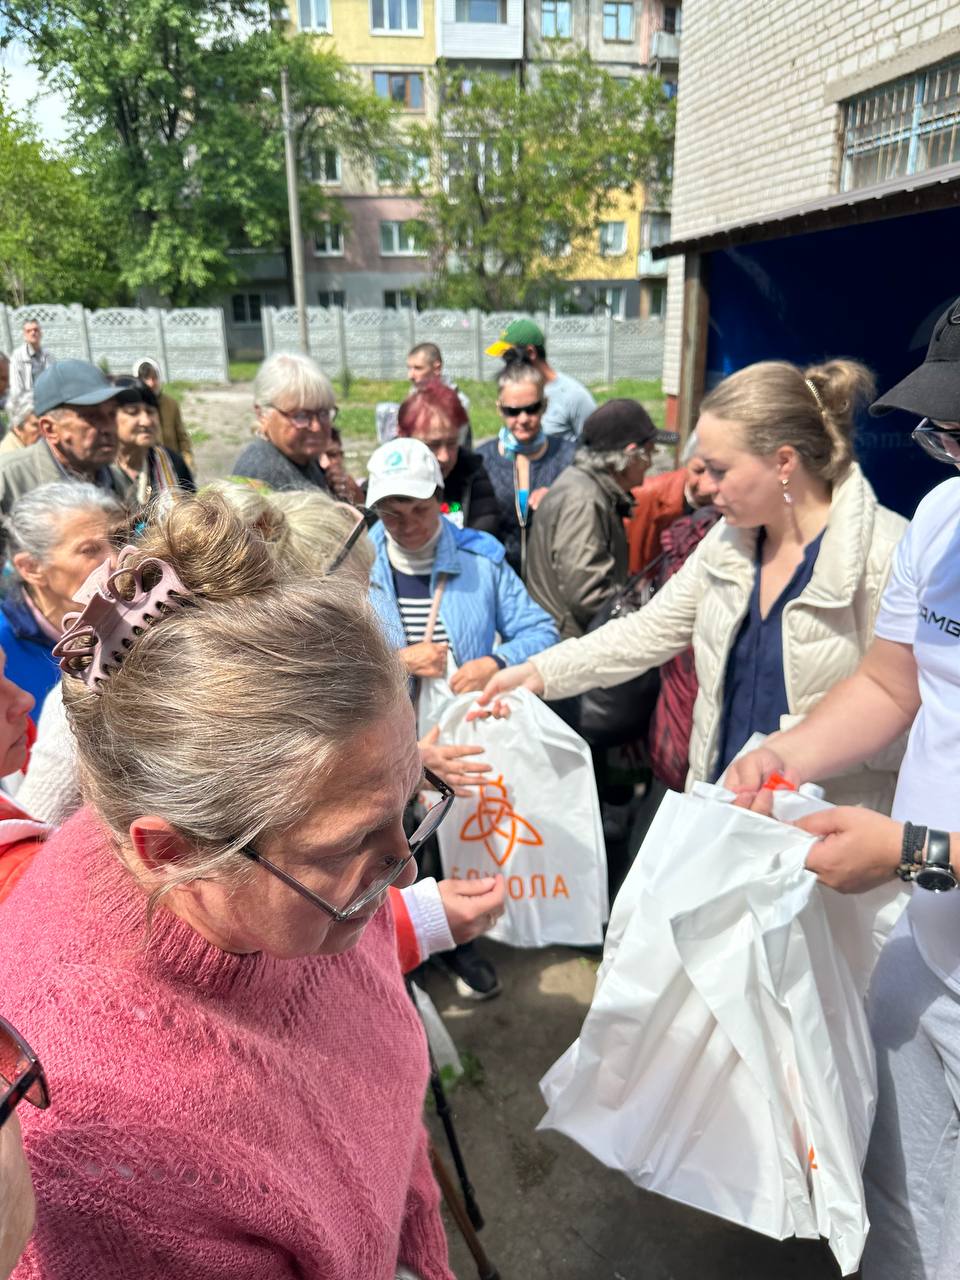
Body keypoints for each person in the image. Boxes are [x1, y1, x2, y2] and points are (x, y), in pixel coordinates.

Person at [0, 491, 455, 1280]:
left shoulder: (326, 880)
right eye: (352, 840)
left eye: (409, 801)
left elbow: (382, 1102)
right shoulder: (98, 1162)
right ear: (171, 853)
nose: (404, 866)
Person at [724, 300, 960, 1280]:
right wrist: (782, 755)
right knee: (899, 1203)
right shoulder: (943, 520)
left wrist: (908, 851)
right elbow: (891, 685)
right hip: (927, 946)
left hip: (923, 880)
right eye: (947, 433)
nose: (954, 456)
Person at [479, 359, 908, 811]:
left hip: (825, 828)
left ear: (783, 462)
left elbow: (905, 711)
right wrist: (539, 672)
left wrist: (793, 756)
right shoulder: (728, 540)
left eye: (719, 470)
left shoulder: (887, 556)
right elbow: (648, 630)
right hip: (721, 809)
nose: (705, 487)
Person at [366, 438, 558, 998]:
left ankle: (458, 942)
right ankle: (394, 950)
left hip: (460, 738)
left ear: (441, 500)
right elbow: (329, 659)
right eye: (391, 513)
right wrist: (400, 660)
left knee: (457, 835)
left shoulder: (481, 558)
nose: (406, 525)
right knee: (391, 845)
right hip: (384, 743)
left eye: (419, 510)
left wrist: (495, 661)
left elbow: (540, 631)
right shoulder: (357, 565)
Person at [525, 399, 674, 640]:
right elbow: (588, 593)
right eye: (649, 452)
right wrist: (646, 619)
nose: (650, 463)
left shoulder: (589, 487)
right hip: (569, 644)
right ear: (630, 454)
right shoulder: (584, 500)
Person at [0, 482, 123, 718]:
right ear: (31, 568)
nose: (116, 560)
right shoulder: (4, 649)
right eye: (90, 550)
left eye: (117, 541)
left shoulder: (132, 616)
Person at [477, 362, 576, 577]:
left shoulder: (569, 456)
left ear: (545, 405)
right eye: (512, 411)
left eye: (532, 409)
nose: (523, 419)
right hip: (499, 579)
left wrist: (559, 499)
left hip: (553, 579)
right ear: (499, 408)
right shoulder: (482, 460)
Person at [0, 361, 125, 522]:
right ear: (50, 429)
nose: (108, 427)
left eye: (112, 414)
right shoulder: (8, 480)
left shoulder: (118, 480)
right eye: (91, 417)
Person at [397, 381, 498, 534]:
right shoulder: (385, 475)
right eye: (433, 445)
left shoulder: (471, 471)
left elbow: (484, 536)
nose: (444, 457)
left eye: (452, 443)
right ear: (404, 438)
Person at [231, 352, 334, 492]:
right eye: (300, 416)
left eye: (323, 413)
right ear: (262, 414)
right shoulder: (264, 477)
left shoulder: (303, 458)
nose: (316, 427)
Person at [485, 319, 596, 442]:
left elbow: (593, 445)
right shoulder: (515, 391)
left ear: (531, 352)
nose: (506, 367)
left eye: (509, 359)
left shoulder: (574, 396)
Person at [627, 431, 718, 574]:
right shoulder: (645, 496)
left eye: (718, 474)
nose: (707, 486)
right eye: (699, 471)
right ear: (685, 463)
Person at [111, 376, 195, 506]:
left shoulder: (173, 463)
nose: (146, 421)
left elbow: (191, 511)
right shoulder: (99, 472)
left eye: (150, 412)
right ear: (110, 418)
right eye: (133, 412)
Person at [132, 357, 195, 470]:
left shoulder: (171, 404)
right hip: (145, 469)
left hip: (172, 467)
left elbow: (182, 438)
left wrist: (188, 463)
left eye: (154, 378)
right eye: (146, 378)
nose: (151, 383)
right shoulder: (131, 408)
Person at [8, 321, 54, 401]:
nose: (33, 333)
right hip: (27, 402)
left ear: (41, 333)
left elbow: (53, 380)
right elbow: (16, 387)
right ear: (24, 335)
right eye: (28, 331)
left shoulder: (48, 355)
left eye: (36, 330)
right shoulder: (17, 357)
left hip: (48, 399)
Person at [319, 426, 365, 504]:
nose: (325, 463)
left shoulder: (351, 487)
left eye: (332, 455)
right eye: (317, 457)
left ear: (341, 456)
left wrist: (356, 497)